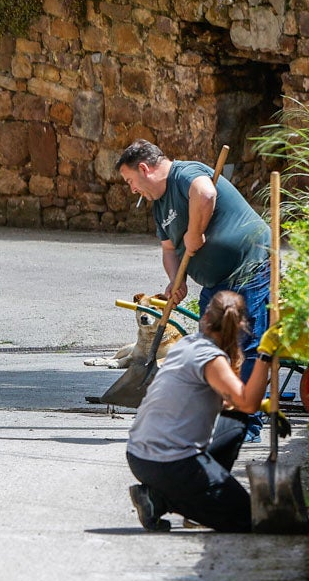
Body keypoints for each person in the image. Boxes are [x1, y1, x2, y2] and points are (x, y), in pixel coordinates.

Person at [116, 140, 272, 441]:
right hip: (216, 280)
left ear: (145, 169)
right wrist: (177, 281)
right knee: (209, 346)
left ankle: (244, 423)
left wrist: (195, 231)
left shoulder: (185, 173)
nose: (132, 189)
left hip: (249, 264)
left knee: (244, 342)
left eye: (130, 181)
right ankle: (216, 414)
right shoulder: (159, 207)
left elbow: (206, 193)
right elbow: (169, 250)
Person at [125, 291, 285, 533]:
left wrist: (262, 404)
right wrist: (264, 355)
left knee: (236, 420)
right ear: (239, 325)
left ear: (206, 317)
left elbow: (233, 404)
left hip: (139, 455)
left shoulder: (187, 344)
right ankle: (169, 499)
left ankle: (162, 497)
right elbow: (247, 403)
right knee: (252, 519)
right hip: (167, 463)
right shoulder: (211, 359)